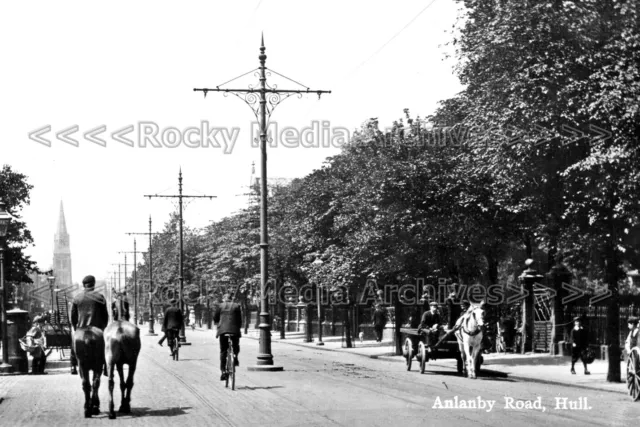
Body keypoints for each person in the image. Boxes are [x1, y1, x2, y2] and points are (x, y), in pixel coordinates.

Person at [70, 275, 110, 375]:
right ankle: (105, 366)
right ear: (94, 284)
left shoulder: (77, 298)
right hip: (97, 328)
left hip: (81, 328)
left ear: (84, 285)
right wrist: (103, 327)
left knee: (73, 343)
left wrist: (75, 327)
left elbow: (73, 316)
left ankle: (73, 365)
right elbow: (105, 315)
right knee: (104, 344)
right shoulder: (100, 297)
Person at [213, 293, 242, 381]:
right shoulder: (237, 306)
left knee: (223, 351)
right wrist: (238, 327)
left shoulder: (220, 306)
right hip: (234, 330)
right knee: (236, 345)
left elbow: (215, 318)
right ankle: (235, 357)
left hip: (223, 331)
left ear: (224, 299)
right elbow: (240, 319)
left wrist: (218, 324)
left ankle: (223, 371)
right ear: (231, 299)